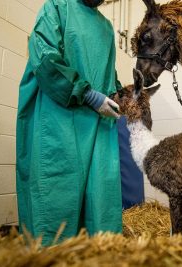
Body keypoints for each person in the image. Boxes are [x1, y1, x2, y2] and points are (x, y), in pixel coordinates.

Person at [16, 0, 125, 245]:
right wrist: (87, 94)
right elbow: (45, 59)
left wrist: (123, 95)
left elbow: (108, 75)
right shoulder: (57, 7)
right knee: (58, 193)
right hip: (58, 119)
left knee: (100, 198)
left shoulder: (106, 27)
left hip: (98, 126)